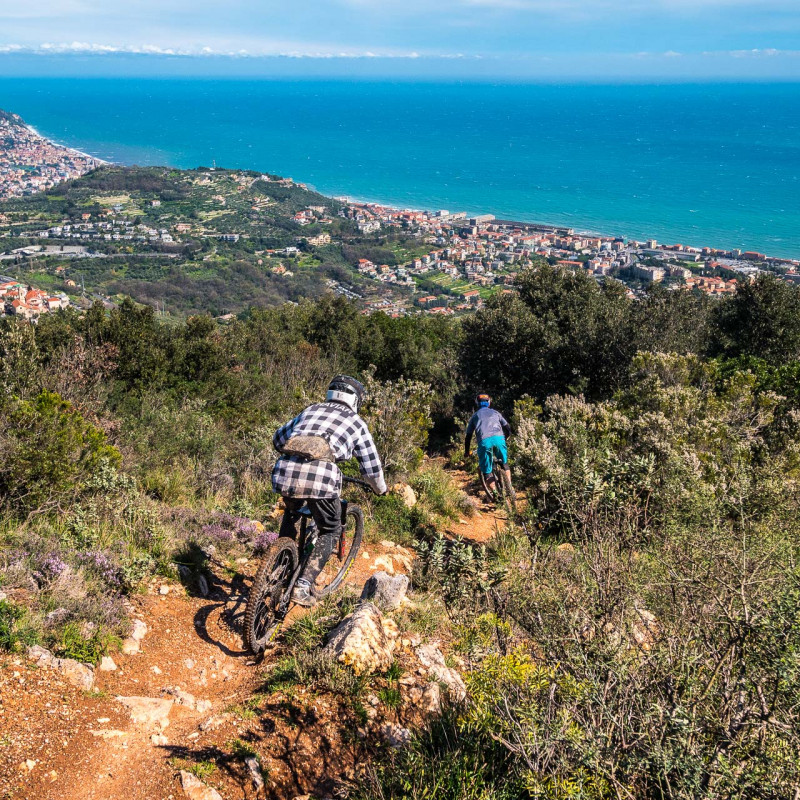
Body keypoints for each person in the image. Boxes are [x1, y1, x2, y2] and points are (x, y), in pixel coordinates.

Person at [271, 375, 387, 607]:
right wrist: (381, 490)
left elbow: (278, 439)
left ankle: (278, 568)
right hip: (321, 478)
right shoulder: (356, 422)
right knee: (331, 529)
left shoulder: (311, 409)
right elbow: (372, 469)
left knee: (292, 513)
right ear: (355, 399)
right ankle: (303, 585)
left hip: (284, 473)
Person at [464, 392, 512, 499]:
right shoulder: (496, 413)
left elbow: (468, 436)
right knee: (504, 464)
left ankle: (495, 494)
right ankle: (510, 487)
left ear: (477, 404)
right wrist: (506, 437)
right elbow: (508, 428)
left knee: (487, 472)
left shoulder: (474, 416)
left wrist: (467, 452)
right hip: (499, 439)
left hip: (484, 442)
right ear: (489, 403)